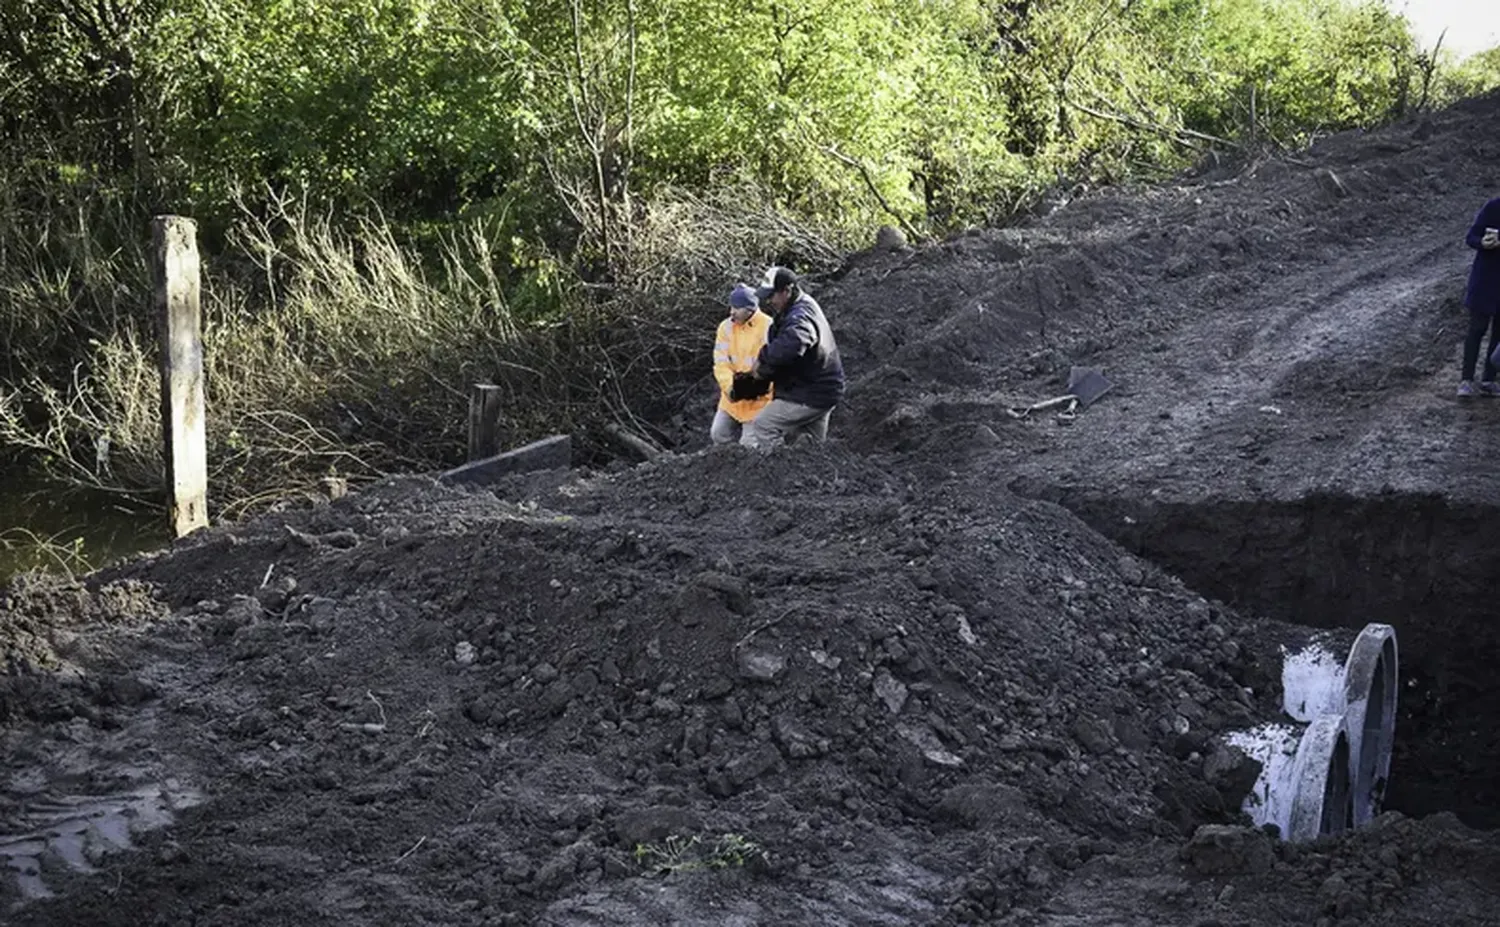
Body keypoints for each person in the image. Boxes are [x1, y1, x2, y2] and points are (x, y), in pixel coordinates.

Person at [740, 266, 845, 448]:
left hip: (812, 391)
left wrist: (763, 361)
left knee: (764, 425)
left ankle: (778, 472)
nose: (768, 301)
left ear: (787, 291)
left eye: (771, 295)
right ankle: (807, 473)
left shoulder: (801, 315)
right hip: (823, 388)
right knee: (808, 447)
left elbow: (794, 341)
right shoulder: (799, 306)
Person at [710, 283, 774, 443]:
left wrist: (757, 386)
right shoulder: (725, 327)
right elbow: (720, 363)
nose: (732, 312)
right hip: (731, 399)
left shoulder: (769, 327)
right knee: (718, 434)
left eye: (737, 308)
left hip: (759, 401)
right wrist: (730, 388)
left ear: (750, 309)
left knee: (749, 446)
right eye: (731, 307)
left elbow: (775, 365)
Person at [1460, 195, 1500, 397]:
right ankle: (1466, 380)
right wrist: (1483, 242)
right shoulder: (1493, 207)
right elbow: (1471, 237)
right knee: (1476, 330)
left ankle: (1489, 380)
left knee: (1499, 335)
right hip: (1485, 281)